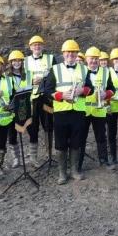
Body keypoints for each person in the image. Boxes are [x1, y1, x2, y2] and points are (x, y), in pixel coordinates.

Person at [41, 39, 93, 184]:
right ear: (63, 54)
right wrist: (61, 95)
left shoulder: (84, 69)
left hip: (78, 111)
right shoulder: (55, 69)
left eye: (73, 52)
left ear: (77, 54)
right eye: (68, 52)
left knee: (77, 142)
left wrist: (83, 90)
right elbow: (47, 91)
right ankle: (62, 173)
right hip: (61, 112)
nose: (71, 54)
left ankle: (75, 170)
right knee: (61, 143)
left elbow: (91, 89)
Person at [24, 35, 56, 167]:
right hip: (32, 100)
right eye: (34, 45)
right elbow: (19, 80)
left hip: (46, 99)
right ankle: (33, 158)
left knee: (48, 125)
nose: (37, 47)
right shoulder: (24, 61)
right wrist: (30, 82)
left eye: (39, 44)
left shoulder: (50, 58)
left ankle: (50, 154)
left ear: (42, 46)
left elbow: (55, 76)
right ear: (30, 47)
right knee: (33, 127)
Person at [80, 46, 111, 171]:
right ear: (86, 59)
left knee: (101, 136)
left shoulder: (106, 72)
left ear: (99, 59)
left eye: (96, 59)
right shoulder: (80, 71)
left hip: (99, 110)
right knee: (81, 137)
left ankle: (103, 160)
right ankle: (79, 164)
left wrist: (106, 94)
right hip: (84, 110)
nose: (93, 61)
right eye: (91, 58)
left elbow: (112, 89)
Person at [6, 50, 29, 168]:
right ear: (10, 62)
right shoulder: (6, 77)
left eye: (19, 60)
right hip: (12, 109)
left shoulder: (27, 74)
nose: (17, 63)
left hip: (26, 107)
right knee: (12, 134)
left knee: (31, 131)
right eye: (14, 60)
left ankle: (32, 156)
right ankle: (16, 158)